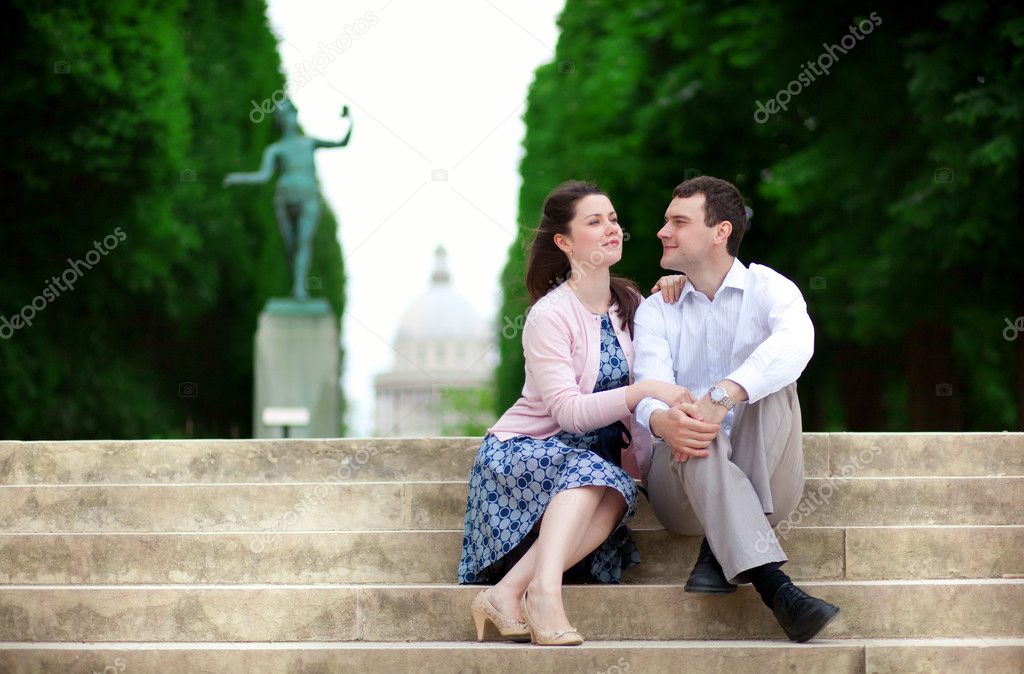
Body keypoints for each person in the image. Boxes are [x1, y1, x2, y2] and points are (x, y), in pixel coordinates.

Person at [458, 180, 693, 646]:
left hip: (592, 467)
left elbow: (685, 343)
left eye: (613, 219)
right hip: (524, 455)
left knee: (615, 486)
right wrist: (639, 391)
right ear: (564, 243)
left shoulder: (633, 304)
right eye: (594, 221)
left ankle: (506, 593)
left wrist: (680, 289)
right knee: (590, 472)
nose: (612, 229)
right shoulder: (549, 315)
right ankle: (544, 593)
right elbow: (567, 413)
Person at [633, 175, 840, 643]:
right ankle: (774, 585)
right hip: (679, 489)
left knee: (775, 383)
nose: (663, 231)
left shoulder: (769, 287)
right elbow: (648, 389)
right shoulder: (656, 309)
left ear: (720, 231)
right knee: (689, 426)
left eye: (678, 222)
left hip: (770, 478)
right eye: (667, 220)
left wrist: (722, 395)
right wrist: (663, 418)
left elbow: (797, 343)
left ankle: (719, 548)